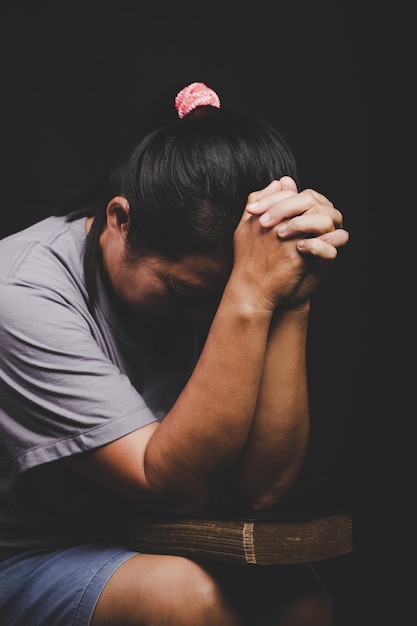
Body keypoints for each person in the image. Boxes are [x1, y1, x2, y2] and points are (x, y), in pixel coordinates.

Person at [0, 81, 349, 625]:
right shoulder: (19, 295)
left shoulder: (229, 289)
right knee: (187, 601)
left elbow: (264, 490)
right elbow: (171, 487)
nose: (207, 317)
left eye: (222, 297)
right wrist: (249, 297)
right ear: (121, 219)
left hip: (138, 536)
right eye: (188, 294)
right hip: (20, 556)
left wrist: (288, 298)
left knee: (299, 597)